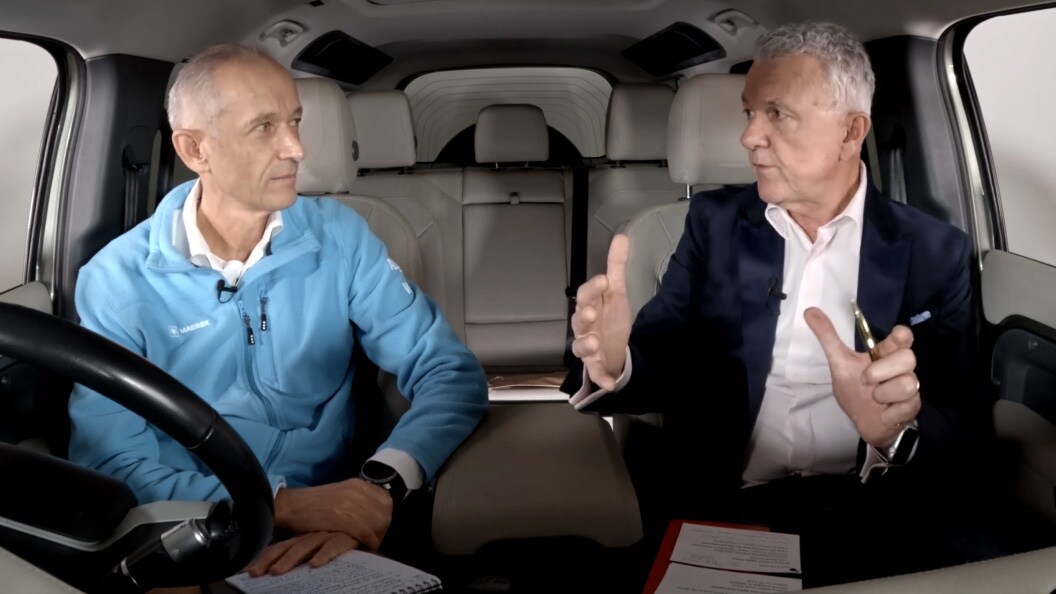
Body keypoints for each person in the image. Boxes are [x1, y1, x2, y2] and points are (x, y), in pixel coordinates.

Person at [565, 21, 993, 586]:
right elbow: (664, 357)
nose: (748, 136)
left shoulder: (937, 251)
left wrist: (893, 431)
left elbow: (966, 424)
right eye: (749, 113)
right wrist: (618, 362)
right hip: (729, 505)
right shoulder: (714, 226)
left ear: (851, 131)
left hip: (877, 504)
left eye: (777, 114)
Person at [67, 44, 488, 577]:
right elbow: (111, 460)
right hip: (194, 525)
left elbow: (449, 372)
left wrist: (375, 489)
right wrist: (282, 505)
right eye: (264, 127)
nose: (296, 148)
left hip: (334, 522)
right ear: (195, 149)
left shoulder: (339, 237)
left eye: (295, 121)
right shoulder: (116, 280)